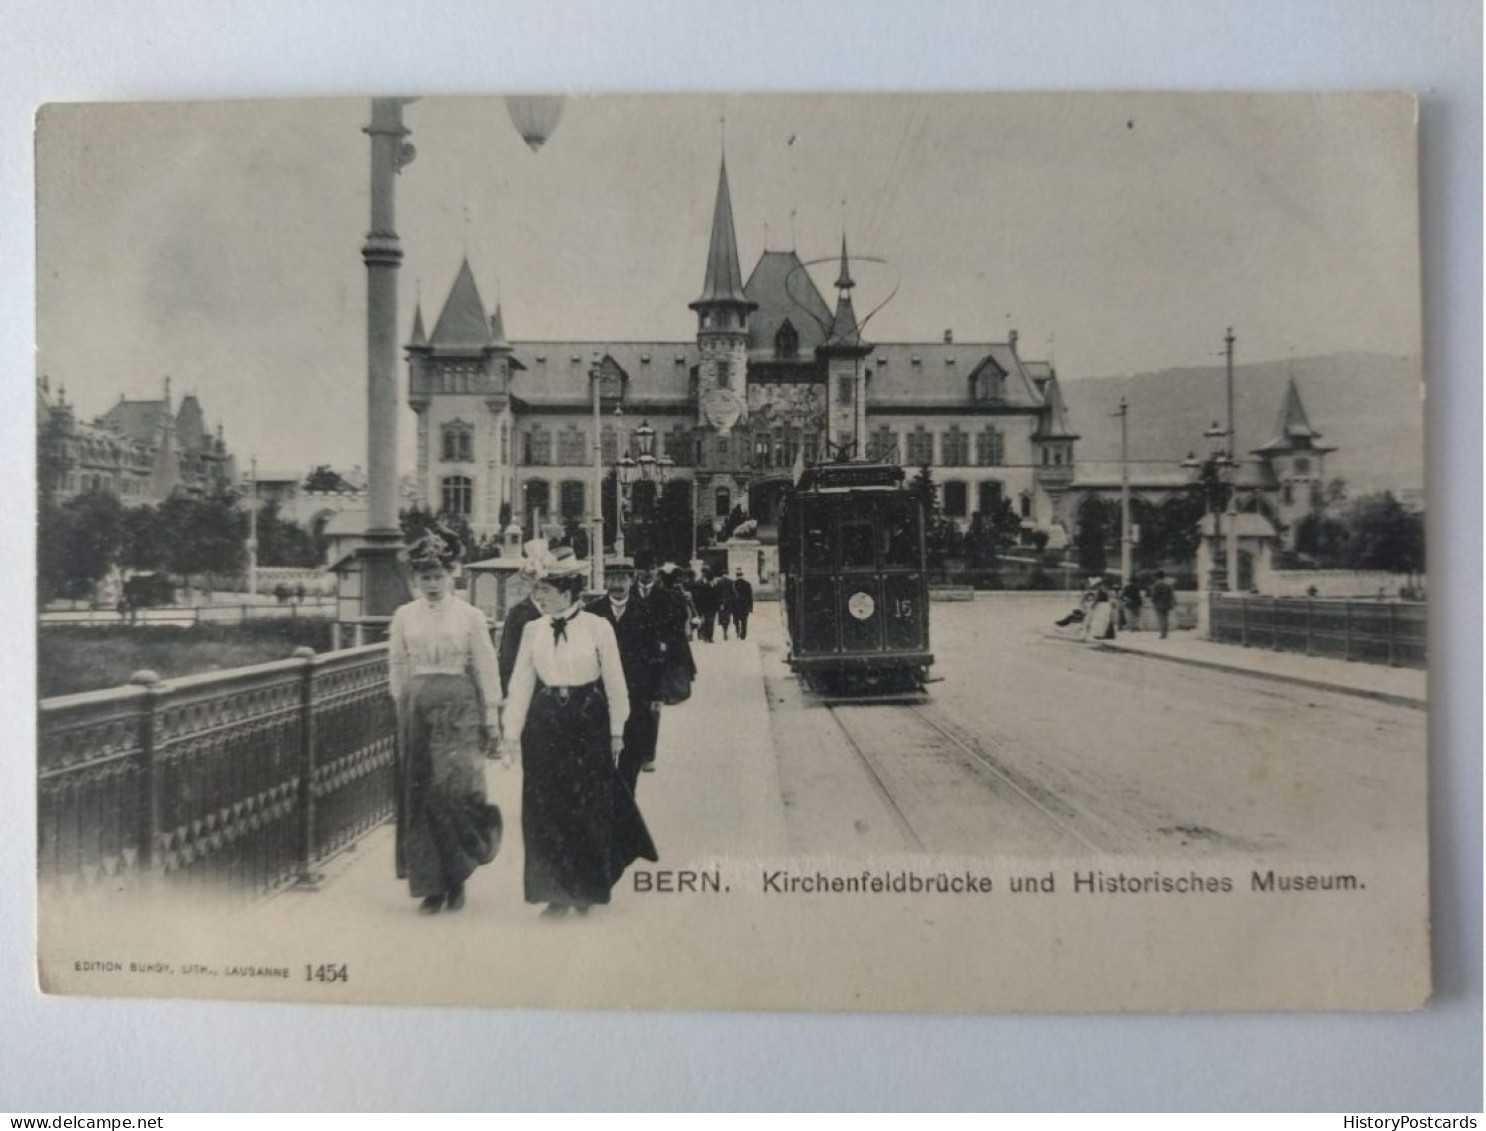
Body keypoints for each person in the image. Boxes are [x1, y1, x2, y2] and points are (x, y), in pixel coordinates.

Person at [498, 546, 657, 918]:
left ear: (568, 592)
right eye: (538, 591)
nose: (540, 597)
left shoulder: (597, 627)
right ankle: (553, 891)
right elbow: (521, 683)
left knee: (587, 806)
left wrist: (617, 731)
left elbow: (616, 682)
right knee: (546, 808)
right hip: (546, 722)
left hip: (588, 720)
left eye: (547, 591)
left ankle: (585, 888)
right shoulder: (532, 630)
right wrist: (511, 732)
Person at [387, 526, 504, 916]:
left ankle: (456, 876)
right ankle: (431, 885)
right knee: (420, 793)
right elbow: (398, 664)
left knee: (451, 789)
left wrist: (492, 717)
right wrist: (401, 707)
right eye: (425, 577)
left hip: (457, 708)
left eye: (439, 576)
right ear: (415, 579)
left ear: (452, 574)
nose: (433, 584)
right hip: (417, 709)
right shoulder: (404, 615)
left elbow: (486, 666)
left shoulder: (470, 616)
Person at [590, 565, 665, 791]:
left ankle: (626, 804)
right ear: (605, 582)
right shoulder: (592, 612)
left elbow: (656, 656)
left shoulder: (647, 611)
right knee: (600, 755)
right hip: (600, 694)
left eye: (622, 578)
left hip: (637, 693)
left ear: (631, 580)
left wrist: (656, 693)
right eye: (612, 578)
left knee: (630, 754)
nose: (617, 584)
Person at [496, 539, 548, 696]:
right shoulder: (517, 613)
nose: (539, 589)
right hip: (527, 689)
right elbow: (507, 658)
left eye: (544, 585)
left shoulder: (559, 610)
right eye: (534, 582)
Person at [692, 567, 718, 642]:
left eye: (705, 572)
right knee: (705, 621)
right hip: (703, 606)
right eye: (704, 572)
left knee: (710, 622)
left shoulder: (714, 584)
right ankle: (703, 635)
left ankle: (708, 636)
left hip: (711, 606)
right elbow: (698, 596)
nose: (704, 574)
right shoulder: (699, 582)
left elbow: (716, 595)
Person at [1150, 569, 1176, 639]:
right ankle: (1165, 633)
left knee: (1160, 619)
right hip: (1167, 603)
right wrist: (1173, 602)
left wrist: (1153, 601)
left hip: (1158, 603)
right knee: (1165, 618)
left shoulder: (1156, 585)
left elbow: (1154, 595)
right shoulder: (1168, 585)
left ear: (1157, 577)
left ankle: (1162, 634)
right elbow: (1172, 594)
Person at [731, 568, 754, 640]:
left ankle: (737, 631)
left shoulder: (733, 584)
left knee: (736, 620)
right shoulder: (747, 584)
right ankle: (743, 635)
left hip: (736, 606)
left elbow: (732, 596)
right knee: (744, 621)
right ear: (742, 575)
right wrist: (751, 607)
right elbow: (750, 596)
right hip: (745, 606)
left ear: (736, 575)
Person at [713, 570, 736, 640]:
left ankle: (724, 631)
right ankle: (725, 631)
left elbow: (716, 594)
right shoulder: (731, 582)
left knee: (723, 618)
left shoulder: (719, 582)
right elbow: (733, 593)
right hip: (728, 603)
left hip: (721, 603)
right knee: (727, 617)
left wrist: (719, 602)